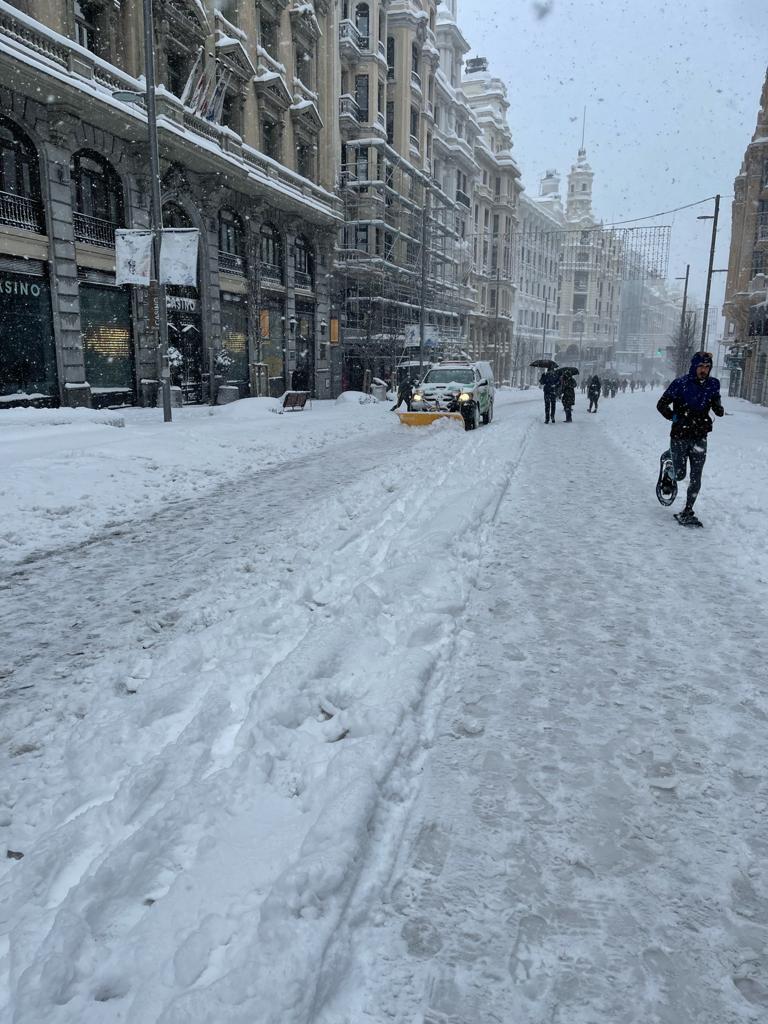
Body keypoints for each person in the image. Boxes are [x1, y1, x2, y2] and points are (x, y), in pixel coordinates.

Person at [656, 351, 724, 527]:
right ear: (694, 366)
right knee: (680, 474)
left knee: (696, 476)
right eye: (701, 366)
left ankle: (688, 510)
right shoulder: (680, 384)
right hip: (680, 435)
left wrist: (717, 407)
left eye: (707, 367)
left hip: (700, 436)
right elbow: (661, 404)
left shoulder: (713, 384)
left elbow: (715, 401)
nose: (704, 370)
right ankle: (669, 466)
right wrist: (673, 417)